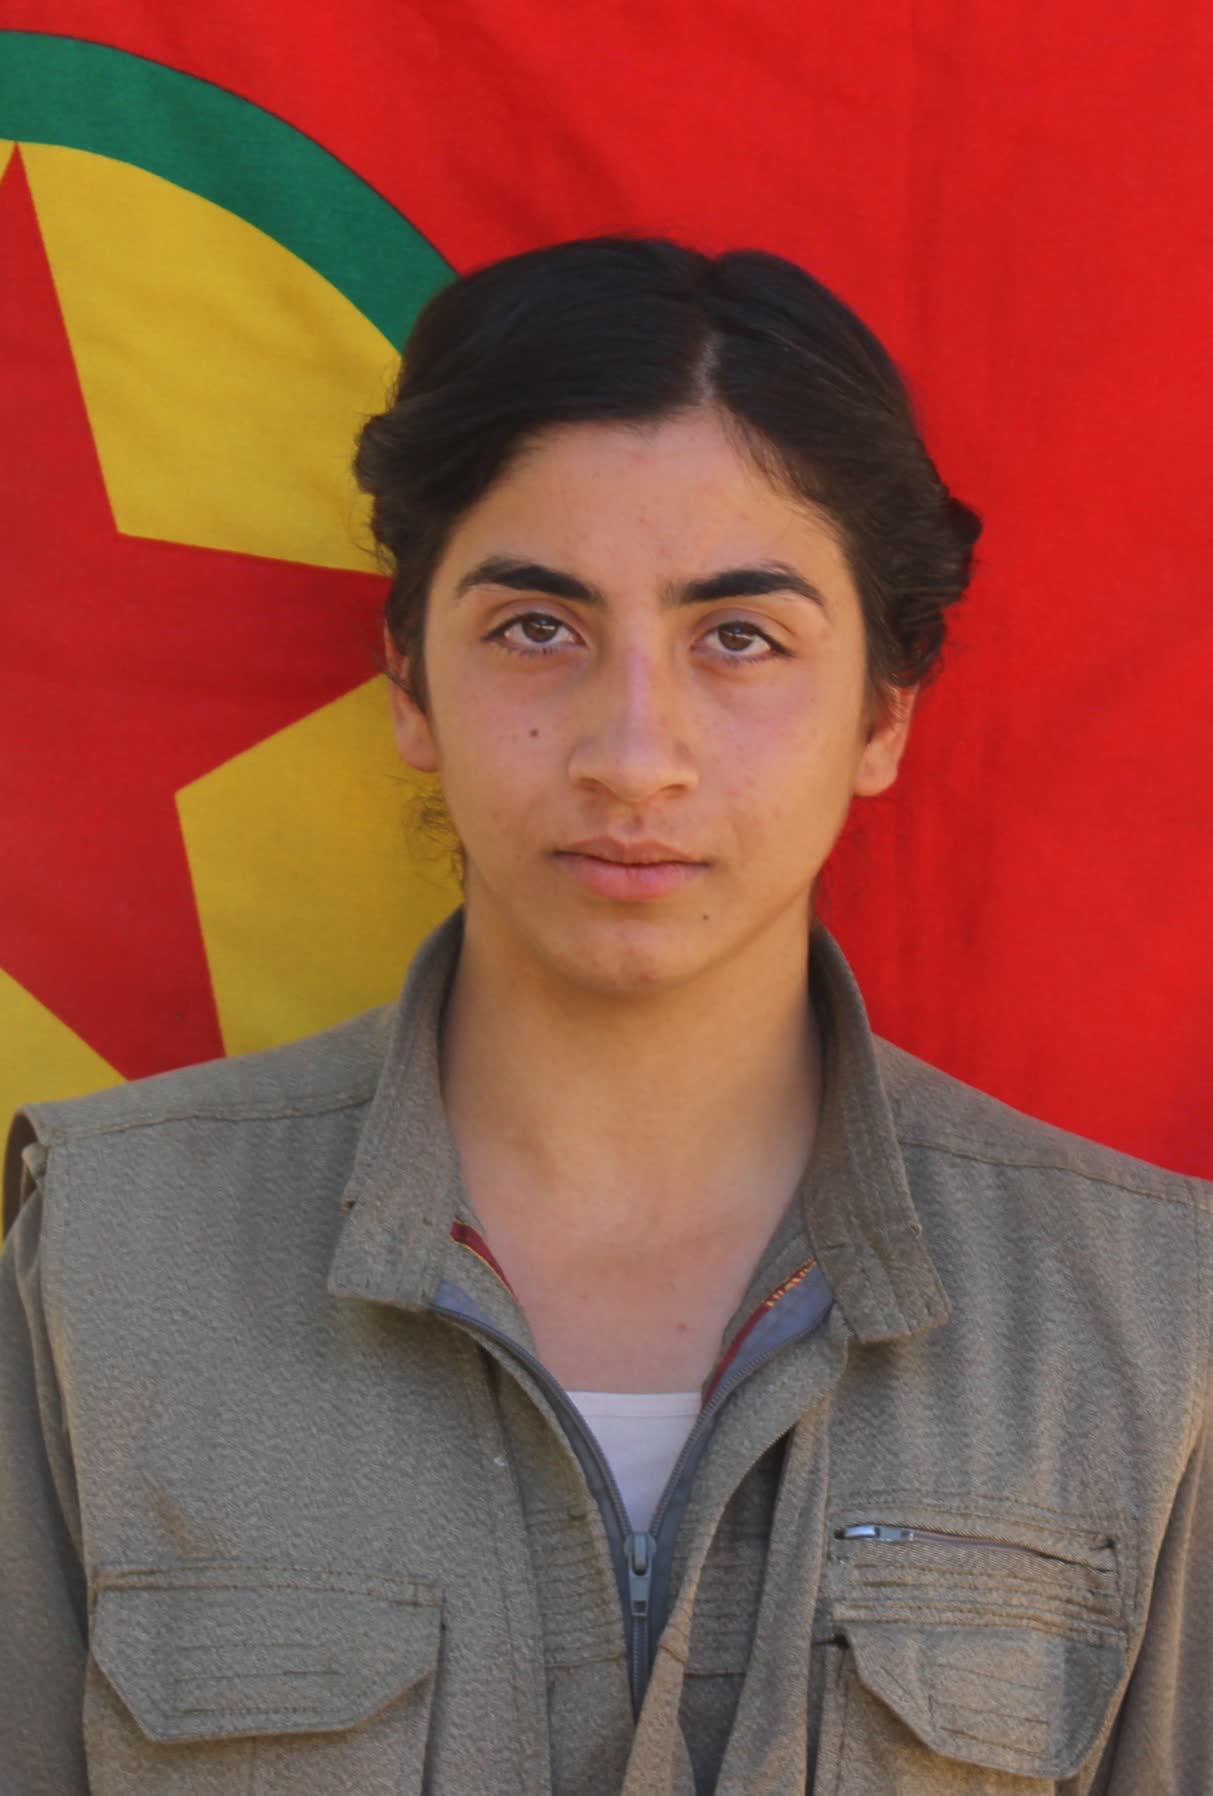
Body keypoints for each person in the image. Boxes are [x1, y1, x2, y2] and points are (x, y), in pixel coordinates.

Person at [1, 234, 1209, 1796]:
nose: (633, 754)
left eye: (738, 638)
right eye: (536, 626)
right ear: (408, 684)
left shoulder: (1141, 1317)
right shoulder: (103, 1261)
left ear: (882, 713)